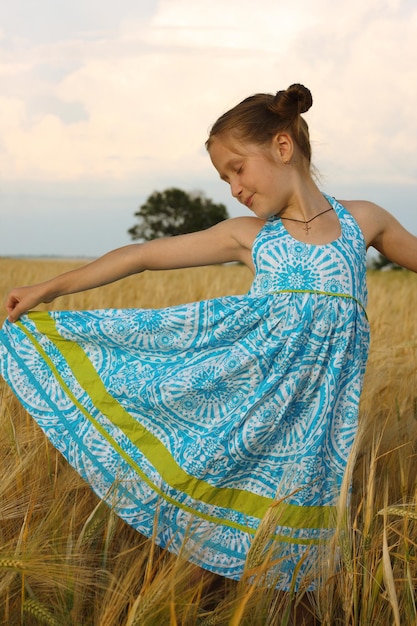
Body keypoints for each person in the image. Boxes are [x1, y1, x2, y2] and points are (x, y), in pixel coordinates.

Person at [1, 83, 417, 596]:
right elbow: (145, 254)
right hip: (244, 414)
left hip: (318, 432)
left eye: (237, 169)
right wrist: (51, 286)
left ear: (283, 147)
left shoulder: (364, 222)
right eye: (224, 178)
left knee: (300, 578)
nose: (234, 187)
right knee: (205, 555)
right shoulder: (250, 235)